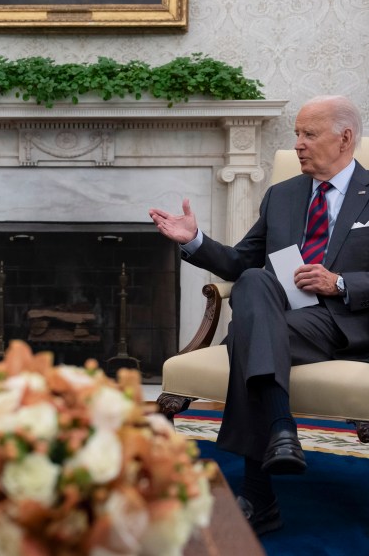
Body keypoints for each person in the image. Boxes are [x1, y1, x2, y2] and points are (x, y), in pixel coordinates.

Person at [150, 95, 367, 535]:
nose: (298, 144)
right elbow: (242, 263)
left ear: (345, 138)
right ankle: (280, 428)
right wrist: (195, 241)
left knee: (250, 336)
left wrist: (340, 283)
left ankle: (259, 495)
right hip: (281, 315)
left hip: (344, 321)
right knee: (252, 283)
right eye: (297, 134)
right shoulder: (282, 195)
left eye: (309, 134)